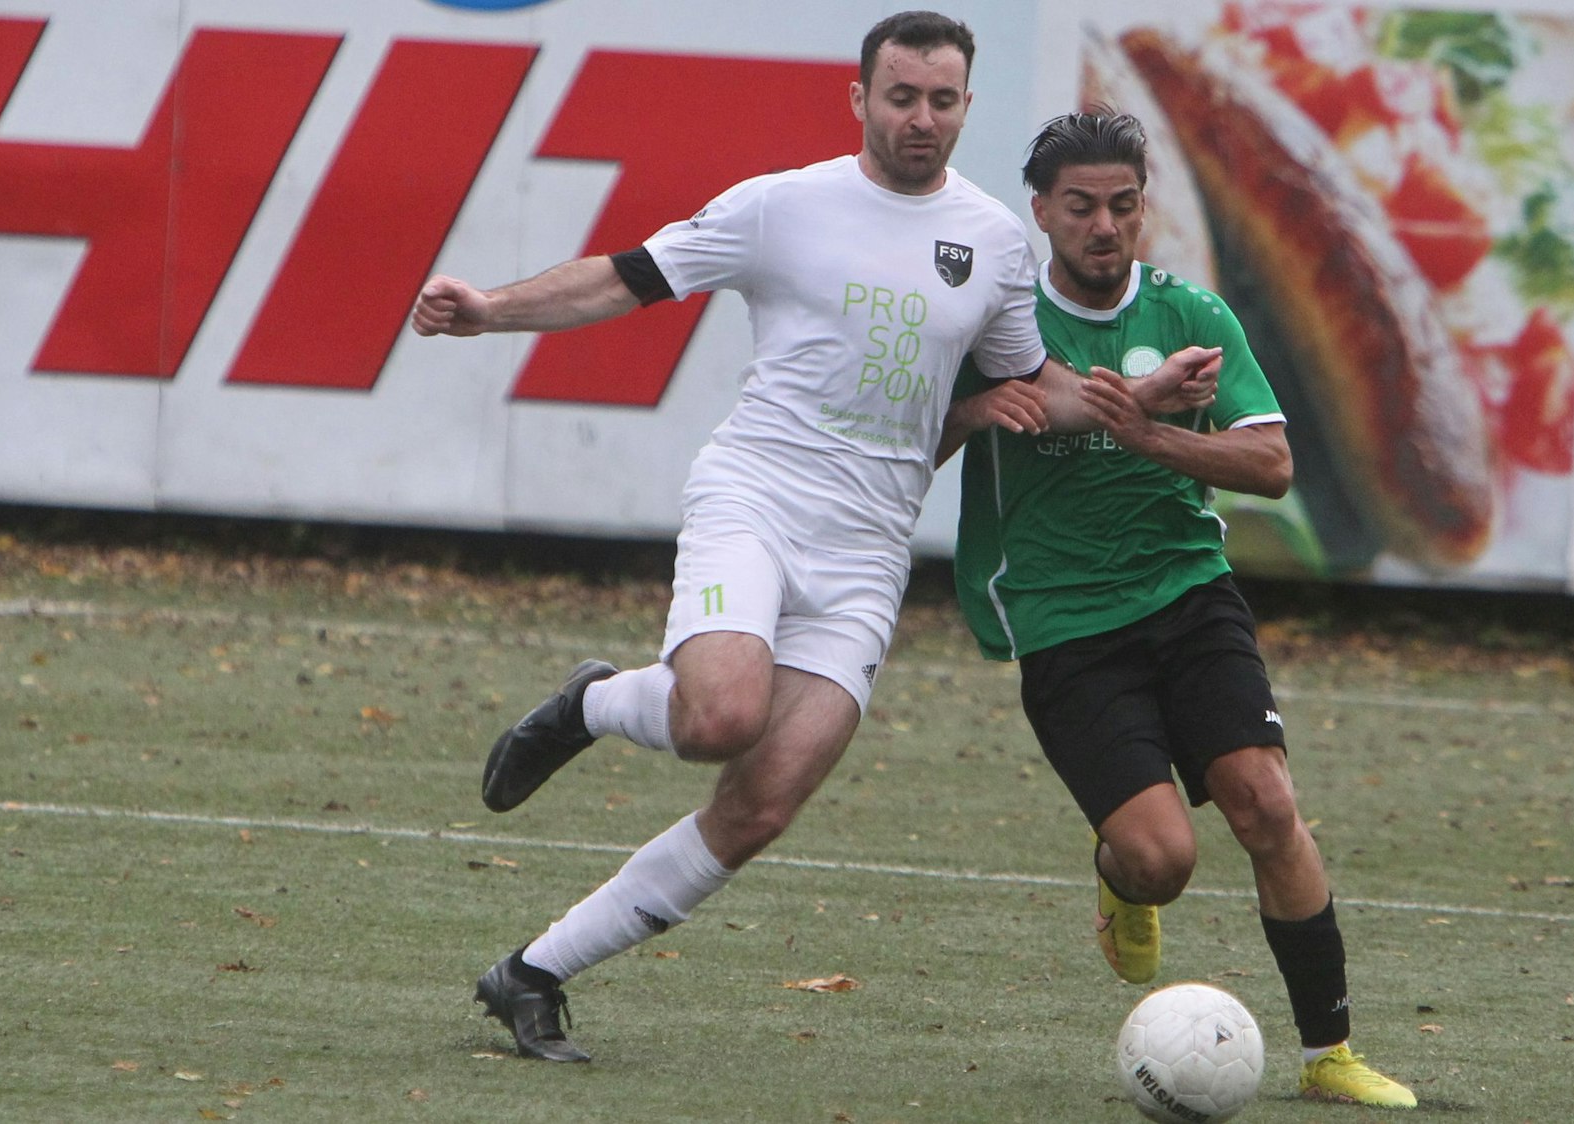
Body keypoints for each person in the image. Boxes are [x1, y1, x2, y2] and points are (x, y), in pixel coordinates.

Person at [409, 13, 1218, 1063]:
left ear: (966, 106)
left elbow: (1030, 382)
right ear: (859, 98)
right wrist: (489, 309)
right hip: (760, 498)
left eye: (940, 100)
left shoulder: (992, 240)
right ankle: (594, 699)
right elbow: (629, 273)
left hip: (869, 550)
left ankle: (531, 974)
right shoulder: (781, 206)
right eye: (900, 96)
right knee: (721, 714)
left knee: (762, 800)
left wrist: (1130, 397)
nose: (920, 119)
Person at [938, 111, 1418, 1108]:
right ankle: (1122, 880)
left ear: (1141, 206)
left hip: (1189, 593)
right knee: (1163, 860)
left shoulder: (1194, 313)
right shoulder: (998, 325)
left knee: (1267, 801)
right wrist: (975, 409)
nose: (1104, 225)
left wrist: (1151, 436)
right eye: (1081, 207)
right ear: (1042, 212)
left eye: (1122, 204)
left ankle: (1329, 1051)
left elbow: (1274, 463)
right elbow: (910, 437)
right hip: (1063, 620)